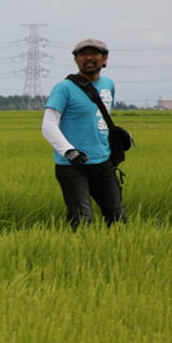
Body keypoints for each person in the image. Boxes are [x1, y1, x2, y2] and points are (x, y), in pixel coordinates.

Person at [42, 39, 125, 229]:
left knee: (116, 217)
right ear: (76, 60)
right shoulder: (64, 88)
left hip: (104, 163)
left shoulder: (108, 85)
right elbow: (48, 124)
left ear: (104, 58)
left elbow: (101, 119)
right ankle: (79, 253)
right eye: (82, 54)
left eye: (94, 54)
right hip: (72, 166)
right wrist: (69, 151)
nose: (88, 58)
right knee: (81, 218)